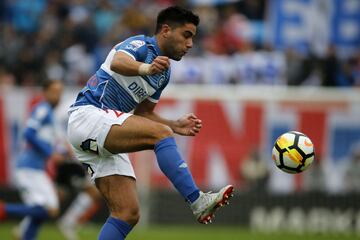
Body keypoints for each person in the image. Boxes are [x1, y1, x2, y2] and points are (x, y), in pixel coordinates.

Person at [67, 6, 234, 240]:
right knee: (160, 135)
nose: (190, 44)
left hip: (103, 130)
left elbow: (144, 113)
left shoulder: (163, 74)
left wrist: (174, 125)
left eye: (193, 38)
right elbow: (118, 62)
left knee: (127, 213)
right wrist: (145, 68)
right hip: (88, 115)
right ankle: (197, 201)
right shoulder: (141, 46)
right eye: (186, 35)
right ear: (166, 30)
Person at [0, 80, 65, 240]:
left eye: (60, 92)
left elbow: (48, 140)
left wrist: (61, 152)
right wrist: (50, 152)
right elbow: (28, 133)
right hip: (28, 168)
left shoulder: (49, 113)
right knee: (46, 209)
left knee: (46, 210)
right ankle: (4, 209)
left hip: (37, 169)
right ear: (45, 92)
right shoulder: (42, 109)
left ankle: (25, 235)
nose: (58, 96)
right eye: (55, 92)